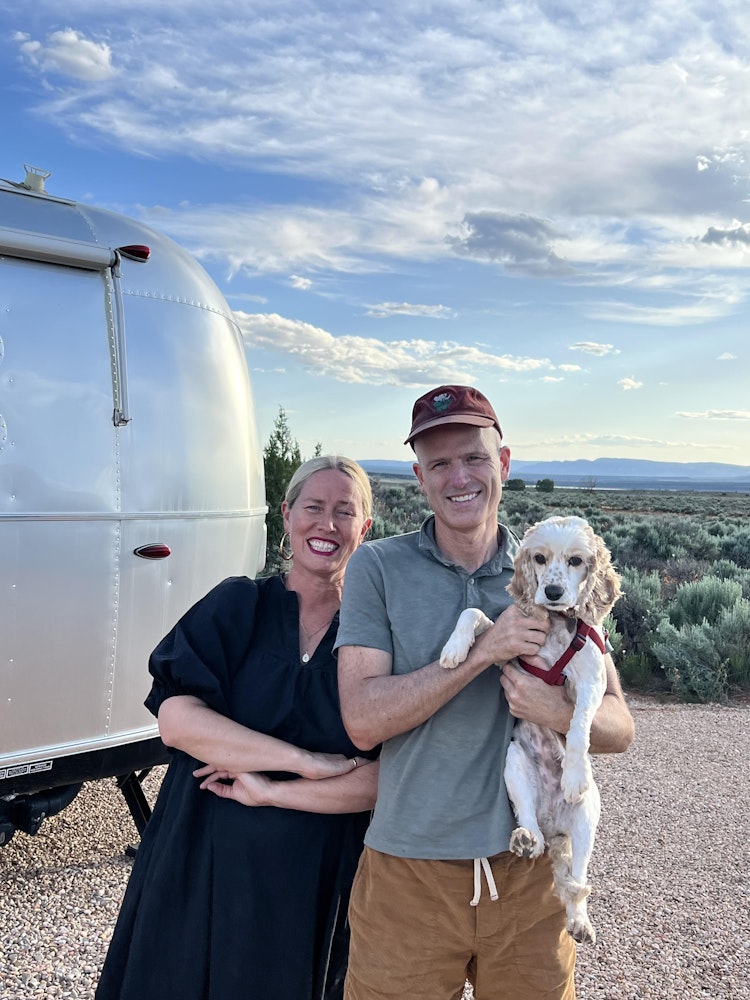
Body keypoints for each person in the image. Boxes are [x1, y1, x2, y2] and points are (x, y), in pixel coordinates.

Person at [336, 385, 634, 1000]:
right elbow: (362, 721)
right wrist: (485, 652)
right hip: (408, 873)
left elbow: (620, 725)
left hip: (531, 879)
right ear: (419, 476)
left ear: (502, 464)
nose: (459, 476)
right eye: (439, 463)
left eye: (474, 456)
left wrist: (553, 709)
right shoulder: (378, 567)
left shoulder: (554, 566)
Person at [96, 456, 378, 1000]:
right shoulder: (239, 604)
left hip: (311, 879)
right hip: (200, 856)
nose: (327, 524)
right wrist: (304, 761)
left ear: (363, 530)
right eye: (313, 507)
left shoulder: (371, 640)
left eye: (345, 512)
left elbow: (381, 779)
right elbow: (178, 722)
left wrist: (273, 790)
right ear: (287, 513)